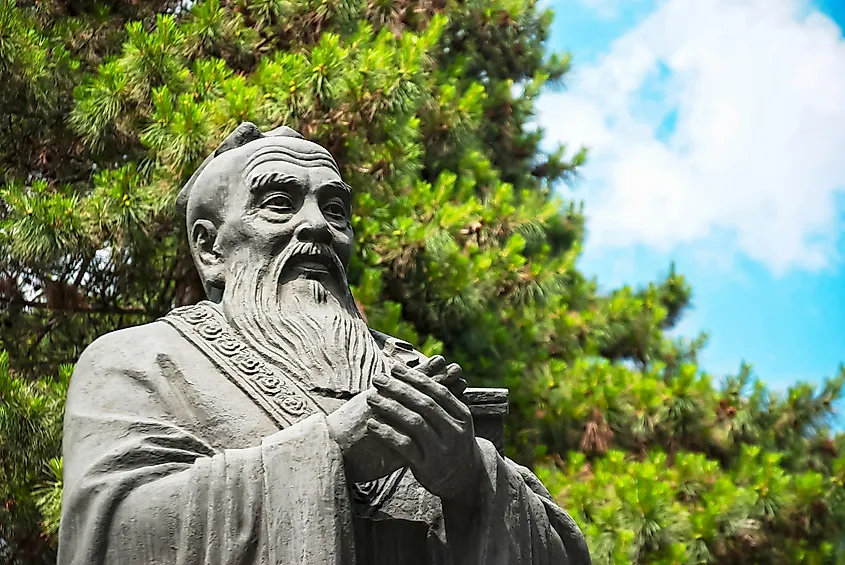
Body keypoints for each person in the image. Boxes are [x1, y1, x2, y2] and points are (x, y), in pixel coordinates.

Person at [57, 123, 590, 565]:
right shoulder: (142, 361)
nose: (317, 226)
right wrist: (336, 449)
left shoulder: (416, 378)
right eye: (278, 203)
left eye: (334, 210)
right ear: (210, 247)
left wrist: (471, 481)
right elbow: (108, 535)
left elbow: (563, 552)